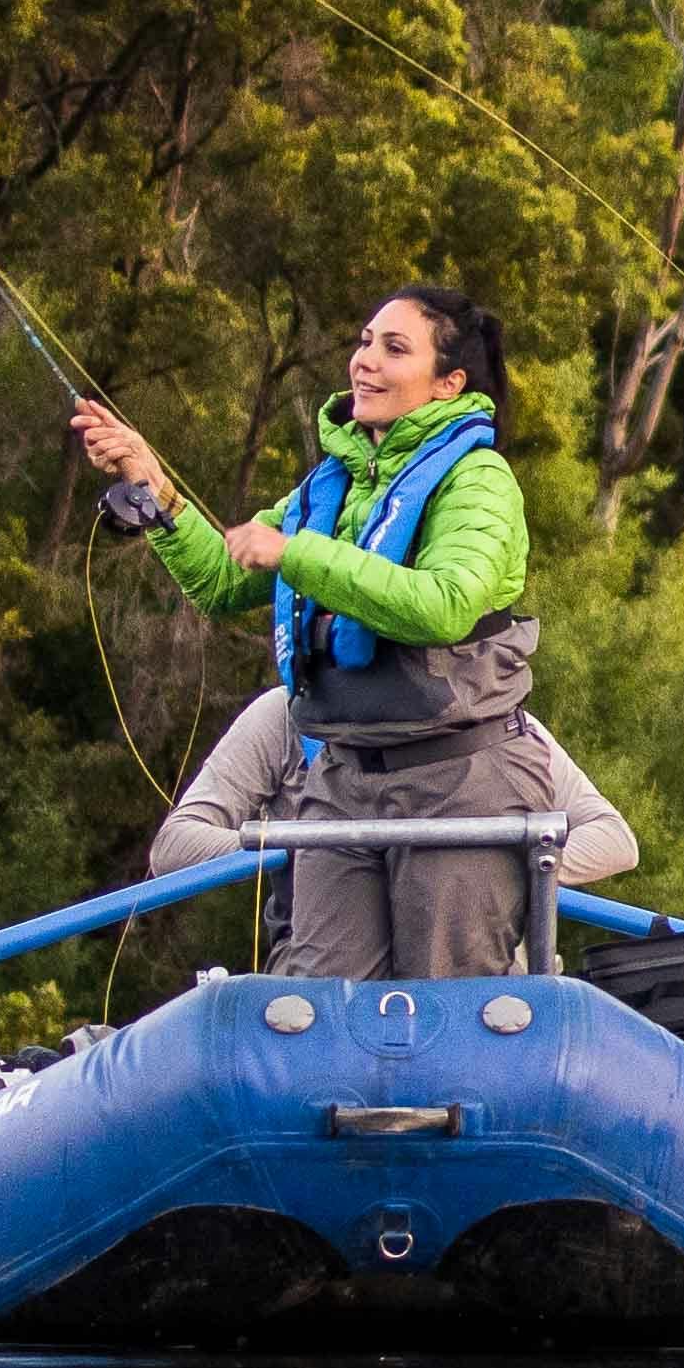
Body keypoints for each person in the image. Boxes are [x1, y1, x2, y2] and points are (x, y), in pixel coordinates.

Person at [71, 293, 579, 982]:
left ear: (449, 382)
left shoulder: (478, 478)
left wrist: (297, 554)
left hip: (462, 782)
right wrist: (153, 487)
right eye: (365, 341)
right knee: (322, 999)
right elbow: (223, 578)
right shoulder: (330, 483)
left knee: (441, 1007)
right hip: (343, 778)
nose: (365, 361)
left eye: (394, 349)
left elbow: (447, 603)